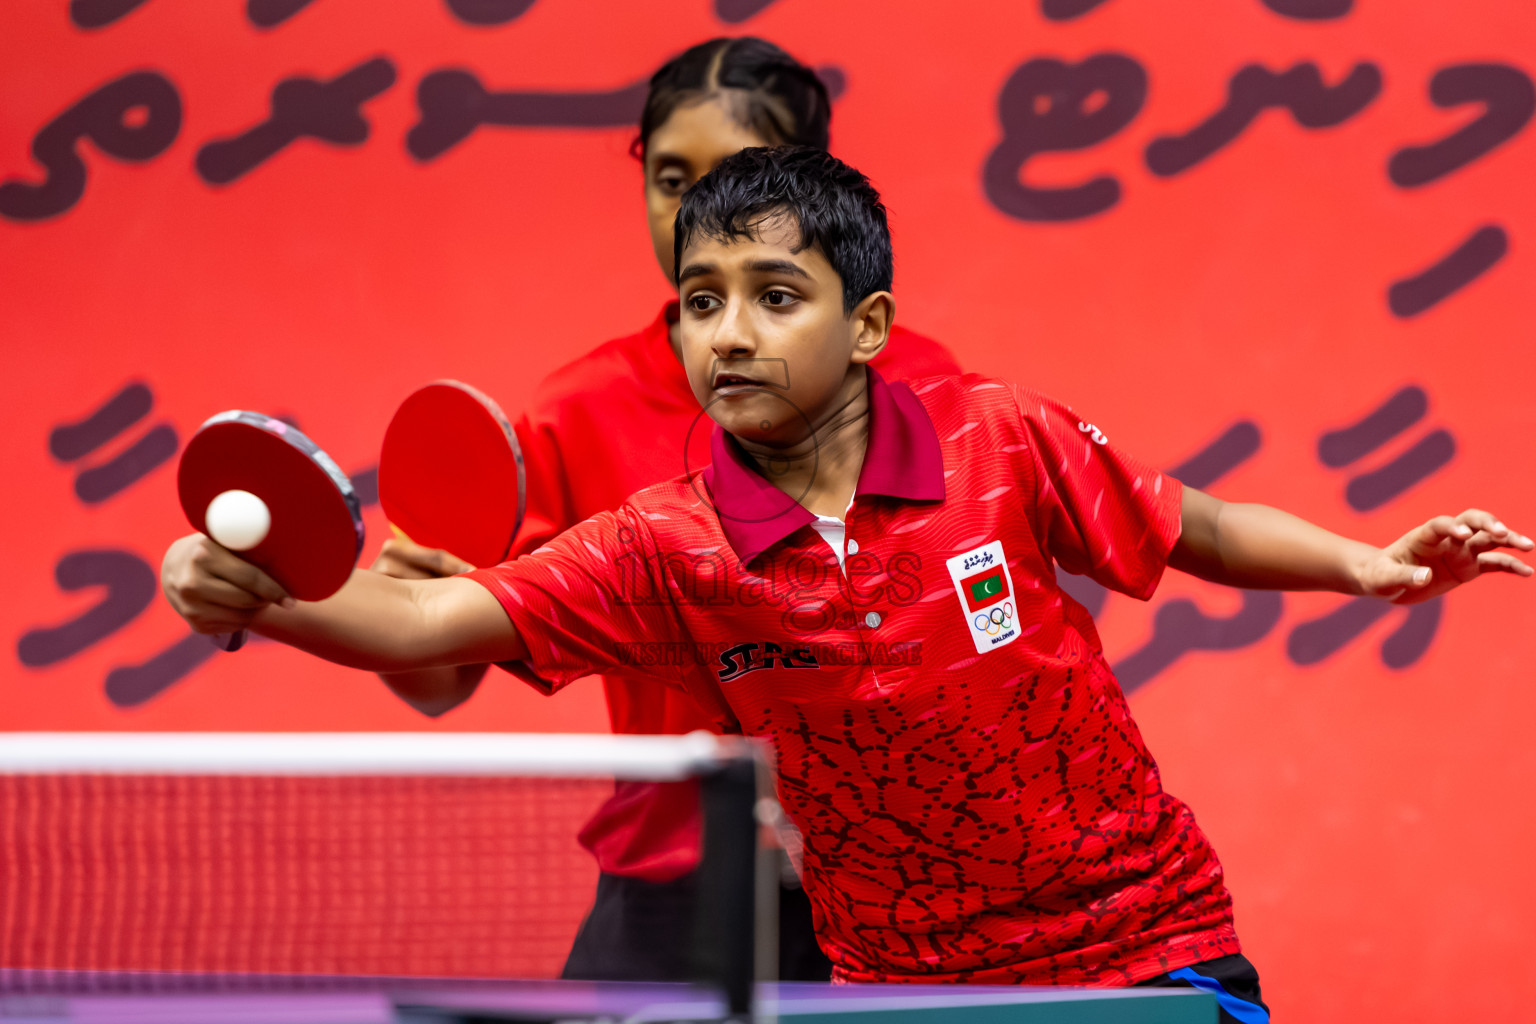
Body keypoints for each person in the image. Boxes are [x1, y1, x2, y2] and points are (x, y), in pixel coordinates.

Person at [161, 146, 1532, 1021]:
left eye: (773, 294)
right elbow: (431, 616)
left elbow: (1193, 525)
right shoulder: (669, 543)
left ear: (867, 323)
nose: (728, 333)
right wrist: (267, 598)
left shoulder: (1001, 435)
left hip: (1144, 945)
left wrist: (1371, 565)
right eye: (701, 302)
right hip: (906, 987)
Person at [370, 37, 959, 982]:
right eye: (671, 179)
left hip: (899, 876)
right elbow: (442, 681)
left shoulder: (922, 386)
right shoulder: (577, 409)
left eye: (731, 179)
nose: (695, 211)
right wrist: (407, 605)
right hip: (675, 884)